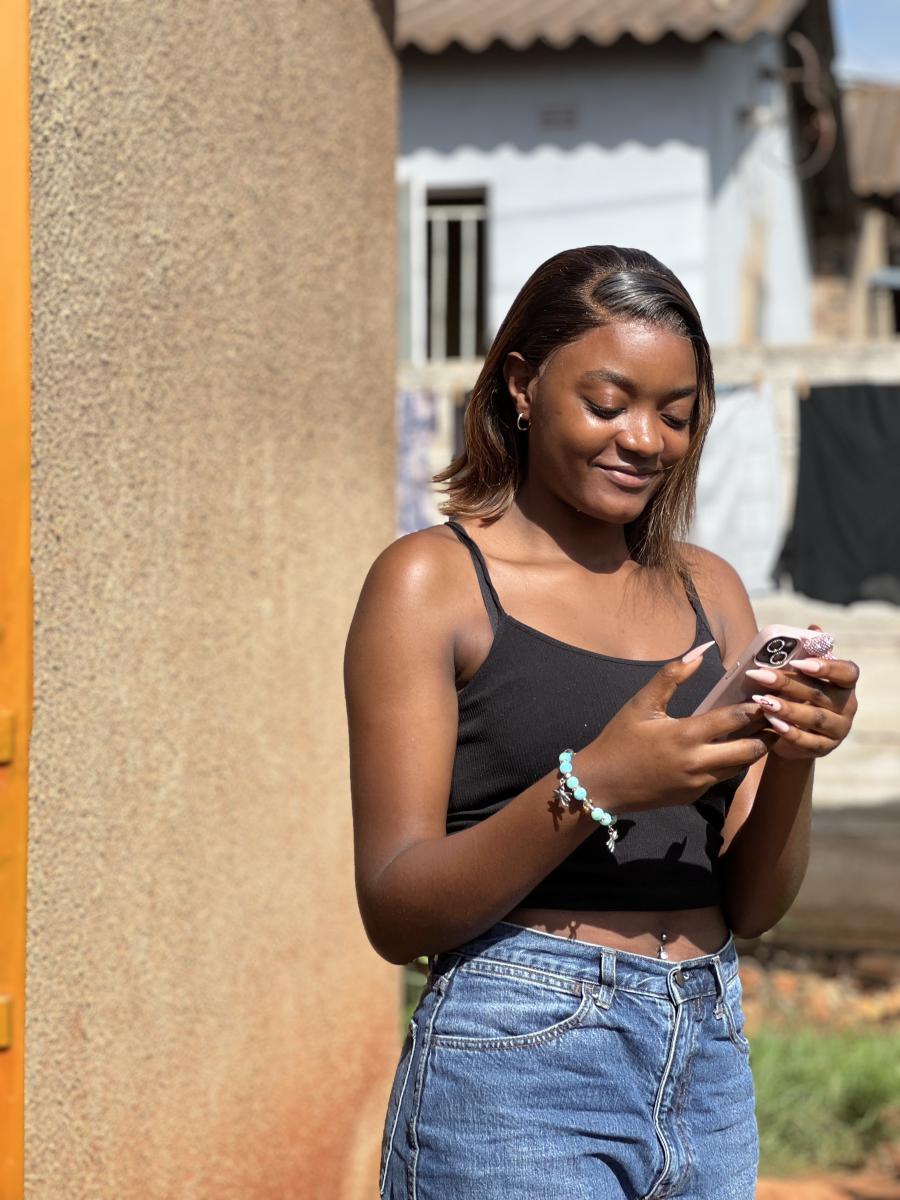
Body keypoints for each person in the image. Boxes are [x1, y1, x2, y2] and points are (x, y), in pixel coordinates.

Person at [344, 246, 859, 1200]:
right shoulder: (432, 583)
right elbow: (395, 909)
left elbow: (753, 905)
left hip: (706, 1055)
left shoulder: (710, 590)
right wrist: (597, 785)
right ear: (522, 385)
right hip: (515, 1058)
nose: (646, 439)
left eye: (677, 414)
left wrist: (797, 752)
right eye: (608, 403)